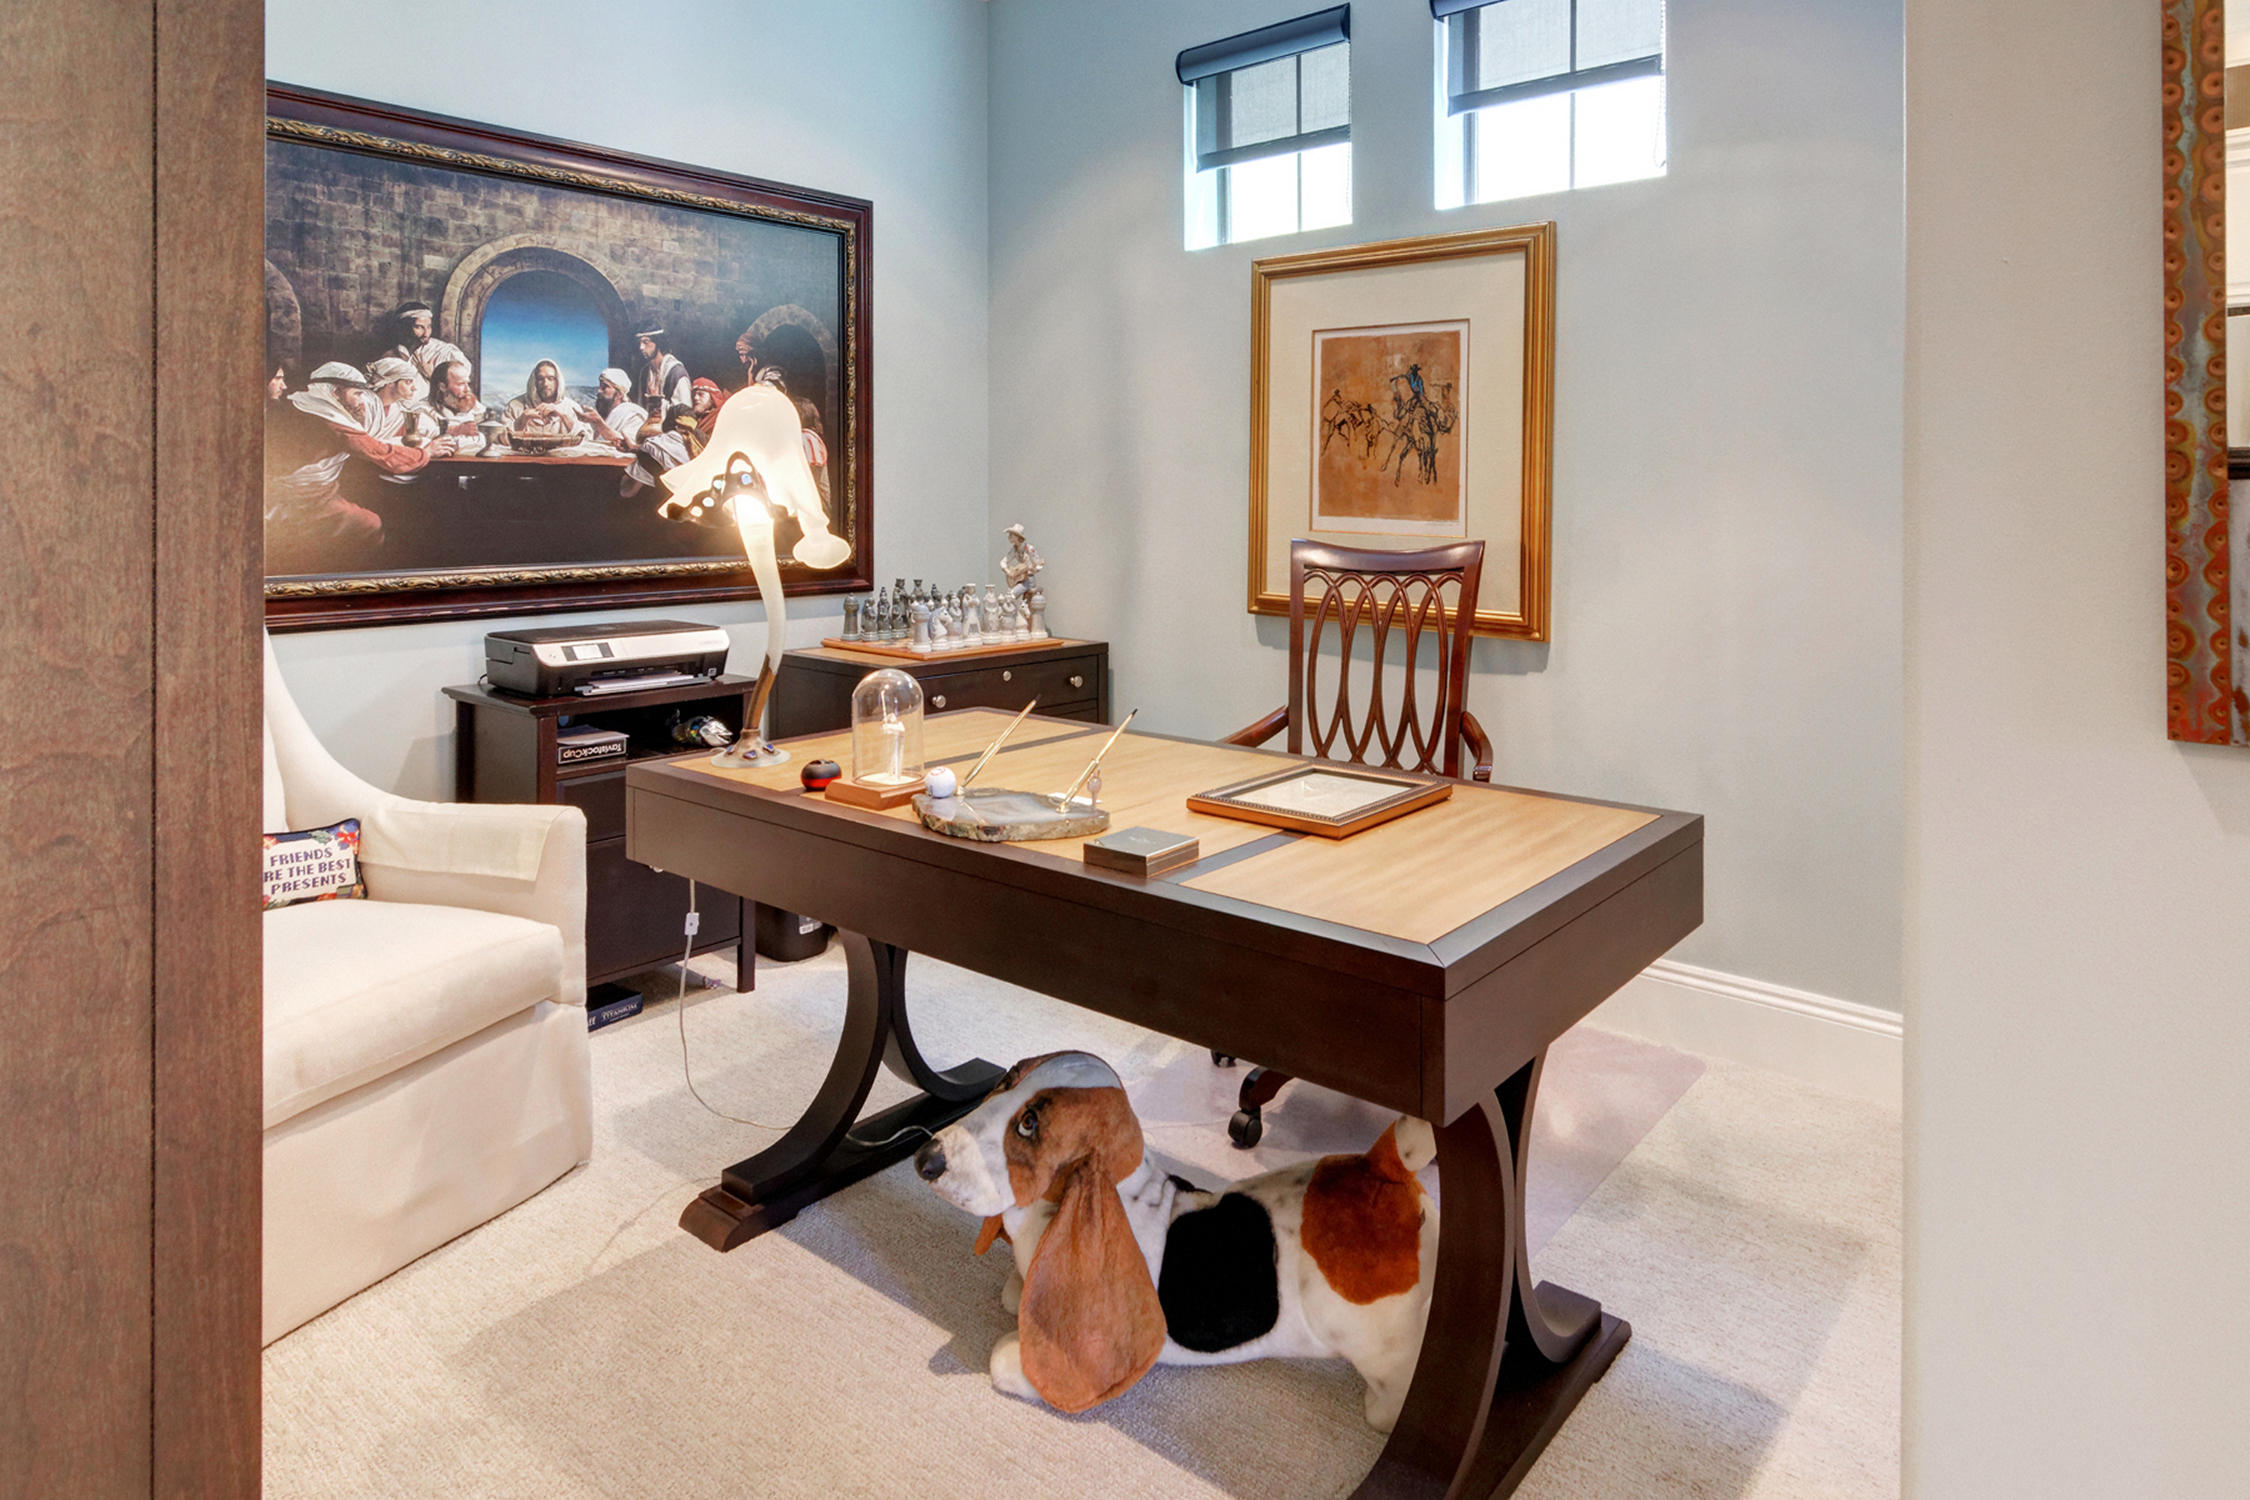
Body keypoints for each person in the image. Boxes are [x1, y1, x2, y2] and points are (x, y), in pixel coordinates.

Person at [264, 362, 454, 568]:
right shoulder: (330, 420)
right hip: (304, 500)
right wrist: (426, 452)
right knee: (368, 525)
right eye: (356, 394)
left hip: (312, 492)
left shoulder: (300, 404)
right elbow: (381, 454)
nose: (361, 401)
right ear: (335, 393)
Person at [502, 360, 591, 437]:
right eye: (540, 379)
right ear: (534, 382)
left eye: (551, 378)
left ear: (558, 381)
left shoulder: (571, 407)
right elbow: (498, 439)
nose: (545, 384)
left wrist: (563, 416)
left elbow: (587, 439)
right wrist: (521, 420)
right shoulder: (515, 406)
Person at [385, 301, 467, 384]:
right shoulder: (393, 353)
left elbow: (459, 385)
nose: (426, 333)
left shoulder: (443, 352)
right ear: (405, 328)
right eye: (419, 327)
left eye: (429, 327)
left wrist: (431, 375)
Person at [417, 358, 489, 440]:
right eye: (460, 384)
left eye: (468, 383)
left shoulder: (472, 405)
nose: (467, 389)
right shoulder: (423, 410)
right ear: (442, 387)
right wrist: (456, 430)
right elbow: (421, 435)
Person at [583, 366, 650, 451]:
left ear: (620, 394)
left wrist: (600, 424)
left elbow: (629, 444)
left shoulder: (633, 415)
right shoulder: (605, 414)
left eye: (604, 387)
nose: (599, 391)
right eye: (599, 387)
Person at [636, 328, 691, 419]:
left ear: (658, 343)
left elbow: (684, 414)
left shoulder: (676, 373)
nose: (641, 347)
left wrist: (657, 402)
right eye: (640, 342)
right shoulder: (645, 372)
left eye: (646, 342)